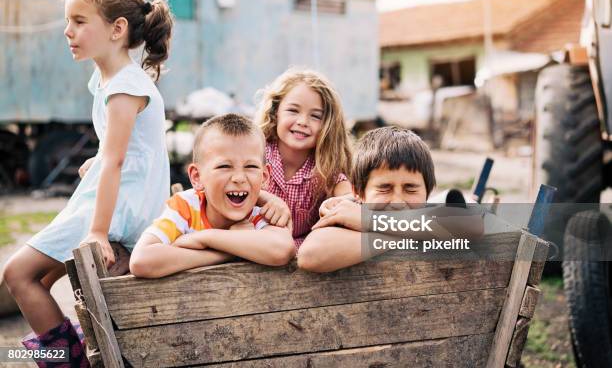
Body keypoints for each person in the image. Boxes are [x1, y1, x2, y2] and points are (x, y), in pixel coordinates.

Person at [2, 0, 173, 364]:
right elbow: (127, 150)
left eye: (79, 21)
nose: (67, 30)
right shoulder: (112, 81)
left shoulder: (125, 85)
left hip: (119, 211)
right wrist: (98, 161)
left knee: (16, 274)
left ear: (117, 29)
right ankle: (75, 346)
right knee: (41, 280)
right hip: (120, 196)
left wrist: (97, 230)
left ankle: (70, 360)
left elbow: (116, 159)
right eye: (68, 20)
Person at [129, 114, 296, 278]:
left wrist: (204, 238)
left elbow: (283, 250)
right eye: (224, 166)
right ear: (197, 177)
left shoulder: (258, 212)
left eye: (251, 166)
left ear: (264, 176)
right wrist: (226, 253)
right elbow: (141, 261)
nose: (239, 178)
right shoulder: (185, 208)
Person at [297, 126, 483, 272]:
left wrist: (372, 221)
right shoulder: (348, 214)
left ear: (428, 192)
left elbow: (473, 225)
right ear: (358, 193)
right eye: (384, 188)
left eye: (410, 188)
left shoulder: (426, 211)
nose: (398, 201)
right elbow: (309, 255)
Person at [255, 68, 353, 247]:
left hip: (302, 253)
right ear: (276, 113)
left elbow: (349, 197)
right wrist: (267, 198)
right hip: (253, 243)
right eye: (293, 110)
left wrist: (341, 202)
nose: (302, 121)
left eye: (315, 116)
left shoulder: (325, 169)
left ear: (328, 125)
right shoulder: (256, 153)